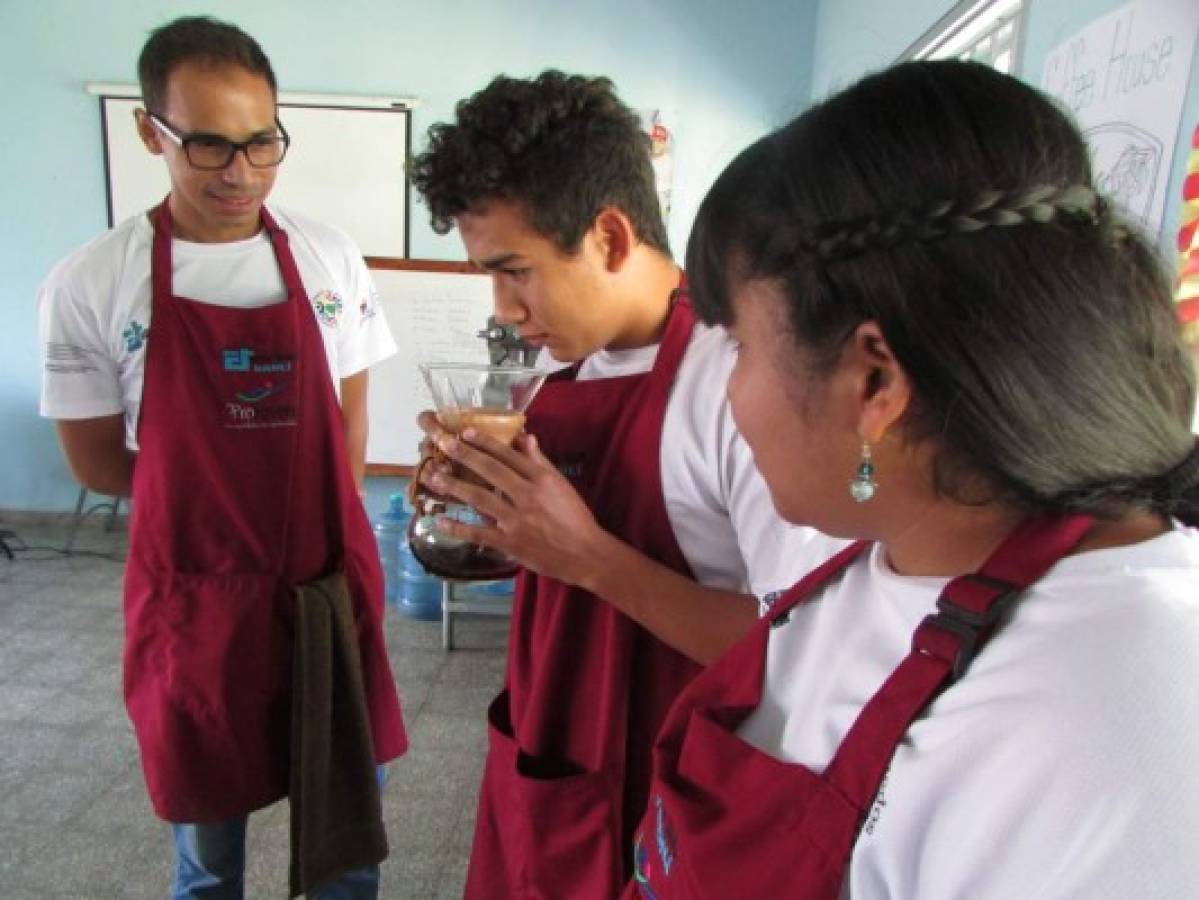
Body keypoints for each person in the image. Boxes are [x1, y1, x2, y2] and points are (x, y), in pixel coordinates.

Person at [622, 59, 1199, 899]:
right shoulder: (884, 561)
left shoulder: (1124, 725)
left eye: (737, 346)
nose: (728, 393)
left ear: (874, 384)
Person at [408, 71, 840, 897]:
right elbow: (547, 552)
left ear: (609, 237)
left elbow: (808, 653)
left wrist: (591, 558)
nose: (503, 307)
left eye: (515, 271)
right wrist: (484, 508)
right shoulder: (566, 357)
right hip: (551, 758)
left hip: (668, 797)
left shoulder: (735, 379)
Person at [37, 16, 406, 899]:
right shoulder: (95, 282)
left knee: (347, 839)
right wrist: (209, 503)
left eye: (260, 143)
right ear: (149, 133)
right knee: (208, 861)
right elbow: (98, 464)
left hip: (323, 588)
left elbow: (347, 433)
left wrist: (299, 519)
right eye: (206, 145)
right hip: (195, 605)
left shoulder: (328, 258)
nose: (239, 172)